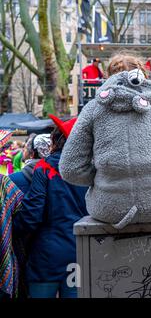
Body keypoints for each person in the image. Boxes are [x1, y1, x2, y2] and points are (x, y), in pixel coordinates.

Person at [60, 54, 151, 229]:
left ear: (108, 77)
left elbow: (70, 168)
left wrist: (104, 178)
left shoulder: (92, 109)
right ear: (144, 74)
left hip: (109, 209)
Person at [13, 115, 88, 298]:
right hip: (79, 254)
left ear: (56, 140)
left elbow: (32, 215)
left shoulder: (44, 167)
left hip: (46, 257)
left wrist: (12, 229)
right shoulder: (91, 171)